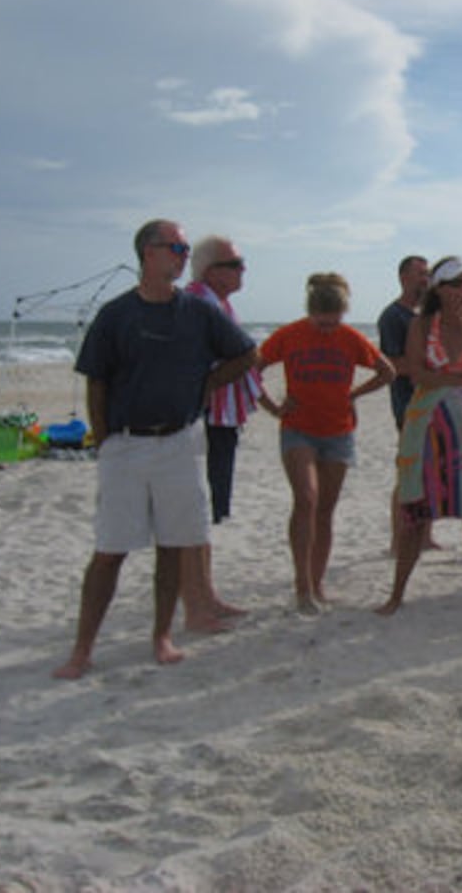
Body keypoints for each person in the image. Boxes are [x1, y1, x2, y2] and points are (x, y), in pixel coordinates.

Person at [53, 219, 257, 679]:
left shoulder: (198, 312)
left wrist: (207, 384)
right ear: (149, 252)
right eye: (177, 248)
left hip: (181, 443)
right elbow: (96, 382)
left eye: (186, 249)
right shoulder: (116, 315)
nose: (184, 256)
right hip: (126, 445)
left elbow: (246, 353)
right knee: (110, 550)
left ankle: (161, 636)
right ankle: (82, 649)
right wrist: (104, 441)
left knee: (174, 544)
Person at [259, 273, 396, 615]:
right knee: (306, 499)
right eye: (321, 323)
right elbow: (250, 370)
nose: (326, 329)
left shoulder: (350, 338)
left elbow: (387, 372)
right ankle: (302, 587)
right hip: (298, 429)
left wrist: (354, 394)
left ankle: (317, 583)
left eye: (333, 323)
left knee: (325, 511)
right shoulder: (289, 335)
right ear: (310, 313)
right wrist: (274, 408)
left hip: (338, 432)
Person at [377, 257, 462, 614]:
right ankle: (396, 595)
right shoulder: (421, 324)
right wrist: (459, 379)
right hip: (426, 423)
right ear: (439, 289)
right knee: (415, 510)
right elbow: (416, 373)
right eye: (457, 284)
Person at [179, 234, 264, 632]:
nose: (243, 269)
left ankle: (205, 593)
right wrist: (210, 383)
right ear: (210, 270)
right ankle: (196, 601)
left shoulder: (217, 303)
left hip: (220, 418)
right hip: (205, 418)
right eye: (235, 263)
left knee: (205, 509)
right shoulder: (196, 302)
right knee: (193, 512)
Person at [377, 255, 440, 555]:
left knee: (430, 471)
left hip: (434, 404)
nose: (425, 279)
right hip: (408, 405)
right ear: (403, 277)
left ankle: (425, 536)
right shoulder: (393, 316)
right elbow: (391, 364)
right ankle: (397, 539)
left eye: (427, 274)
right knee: (408, 473)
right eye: (419, 274)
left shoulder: (430, 314)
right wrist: (425, 368)